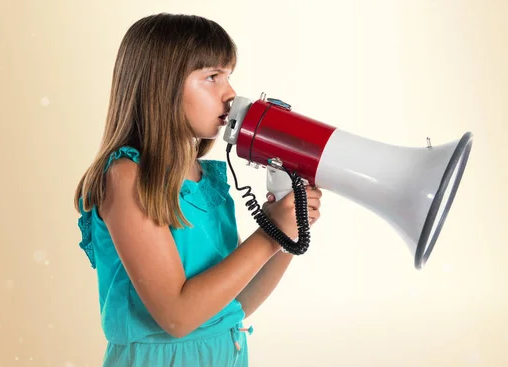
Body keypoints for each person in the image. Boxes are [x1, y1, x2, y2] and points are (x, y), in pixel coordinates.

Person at [74, 13, 322, 367]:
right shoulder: (127, 177)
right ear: (162, 86)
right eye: (211, 77)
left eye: (229, 76)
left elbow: (236, 304)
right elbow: (178, 317)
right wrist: (269, 235)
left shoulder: (204, 179)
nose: (231, 93)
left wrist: (287, 234)